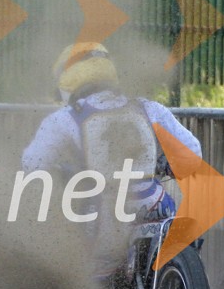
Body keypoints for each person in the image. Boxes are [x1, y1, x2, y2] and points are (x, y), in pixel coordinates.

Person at [22, 42, 202, 275]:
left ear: (67, 80)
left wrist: (62, 173)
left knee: (92, 279)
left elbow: (31, 164)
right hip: (156, 205)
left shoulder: (64, 119)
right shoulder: (147, 107)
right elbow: (193, 151)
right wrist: (165, 165)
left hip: (104, 217)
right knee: (184, 238)